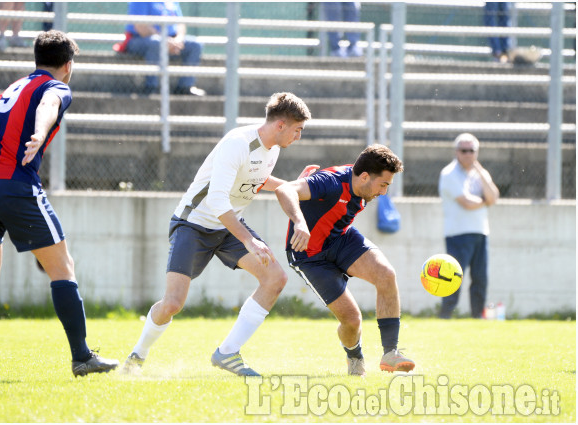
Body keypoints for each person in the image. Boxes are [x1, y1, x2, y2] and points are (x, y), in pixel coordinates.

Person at [0, 30, 119, 380]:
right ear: (68, 65)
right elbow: (49, 105)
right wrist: (38, 132)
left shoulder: (12, 87)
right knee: (63, 265)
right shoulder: (57, 86)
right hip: (13, 184)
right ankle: (82, 357)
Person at [121, 92, 311, 376]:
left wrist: (294, 185)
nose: (299, 137)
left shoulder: (272, 149)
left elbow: (256, 179)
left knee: (275, 278)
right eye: (298, 130)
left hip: (228, 226)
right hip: (193, 225)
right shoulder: (237, 143)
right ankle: (138, 355)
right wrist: (249, 239)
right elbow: (217, 201)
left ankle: (227, 353)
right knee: (172, 304)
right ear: (281, 125)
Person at [274, 144, 415, 376]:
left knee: (386, 274)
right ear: (365, 176)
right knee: (352, 321)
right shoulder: (331, 182)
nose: (383, 192)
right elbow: (284, 190)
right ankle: (354, 356)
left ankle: (390, 353)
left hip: (340, 238)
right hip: (309, 255)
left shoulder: (362, 182)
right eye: (383, 185)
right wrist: (299, 222)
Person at [438, 133, 499, 319]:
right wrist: (485, 201)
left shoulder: (481, 174)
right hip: (458, 233)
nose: (468, 155)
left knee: (480, 278)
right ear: (456, 152)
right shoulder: (449, 173)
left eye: (471, 151)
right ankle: (446, 316)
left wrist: (479, 172)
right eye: (464, 151)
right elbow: (467, 202)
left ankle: (477, 316)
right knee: (453, 278)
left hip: (481, 232)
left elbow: (494, 197)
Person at [123, 2, 205, 95]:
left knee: (195, 45)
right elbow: (141, 27)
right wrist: (164, 41)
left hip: (171, 41)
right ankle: (151, 87)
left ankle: (185, 87)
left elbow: (180, 24)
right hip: (140, 40)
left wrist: (178, 40)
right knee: (156, 43)